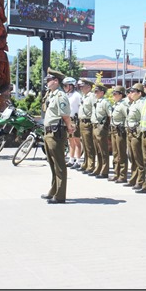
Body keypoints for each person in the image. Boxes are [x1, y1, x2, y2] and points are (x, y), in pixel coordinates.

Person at [40, 68, 74, 204]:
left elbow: (65, 115)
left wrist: (70, 126)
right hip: (49, 132)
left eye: (49, 80)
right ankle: (53, 190)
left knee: (59, 164)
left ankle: (60, 195)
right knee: (52, 163)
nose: (47, 83)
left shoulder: (60, 96)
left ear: (56, 81)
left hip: (56, 132)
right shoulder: (52, 94)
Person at [125, 83, 146, 189]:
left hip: (136, 132)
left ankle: (141, 180)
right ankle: (133, 178)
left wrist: (138, 131)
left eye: (133, 91)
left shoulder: (141, 104)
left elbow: (143, 118)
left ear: (139, 93)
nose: (130, 93)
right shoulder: (133, 103)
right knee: (132, 157)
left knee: (138, 158)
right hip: (130, 131)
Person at [90, 84, 112, 179]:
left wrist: (106, 127)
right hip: (94, 126)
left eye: (97, 91)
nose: (95, 93)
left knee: (103, 150)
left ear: (102, 92)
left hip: (101, 127)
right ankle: (98, 168)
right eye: (94, 91)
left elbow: (110, 115)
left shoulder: (105, 102)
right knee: (97, 150)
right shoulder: (96, 102)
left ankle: (104, 170)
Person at [108, 85, 129, 183]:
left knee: (121, 153)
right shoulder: (116, 104)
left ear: (121, 95)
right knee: (115, 153)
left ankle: (122, 175)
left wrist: (124, 128)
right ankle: (116, 173)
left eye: (115, 93)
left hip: (120, 131)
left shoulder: (123, 105)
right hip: (113, 130)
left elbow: (127, 117)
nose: (113, 95)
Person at [76, 78, 96, 175]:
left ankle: (91, 165)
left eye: (82, 86)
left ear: (88, 86)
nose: (81, 88)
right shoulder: (84, 97)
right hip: (82, 122)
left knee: (89, 145)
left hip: (88, 123)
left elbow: (94, 110)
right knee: (84, 144)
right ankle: (85, 163)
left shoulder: (92, 96)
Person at [62, 77, 83, 169]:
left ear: (71, 86)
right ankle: (71, 159)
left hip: (75, 119)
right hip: (68, 119)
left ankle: (78, 161)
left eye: (66, 85)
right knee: (70, 141)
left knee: (76, 141)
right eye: (64, 86)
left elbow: (80, 108)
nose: (65, 87)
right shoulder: (67, 95)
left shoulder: (77, 95)